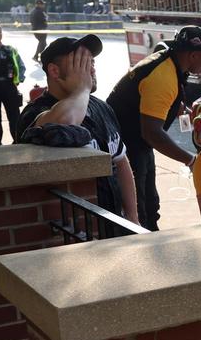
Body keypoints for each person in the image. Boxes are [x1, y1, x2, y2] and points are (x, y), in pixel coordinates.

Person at [16, 35, 138, 225]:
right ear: (54, 71)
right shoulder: (35, 112)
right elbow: (64, 123)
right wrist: (82, 90)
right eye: (81, 63)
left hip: (112, 222)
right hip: (73, 230)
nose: (91, 69)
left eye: (92, 62)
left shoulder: (101, 108)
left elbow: (121, 162)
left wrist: (132, 218)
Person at [106, 26, 201, 230]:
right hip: (127, 146)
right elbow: (152, 133)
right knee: (138, 211)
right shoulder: (163, 76)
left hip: (137, 142)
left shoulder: (169, 61)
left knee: (150, 204)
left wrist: (181, 109)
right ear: (193, 55)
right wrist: (190, 160)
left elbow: (159, 99)